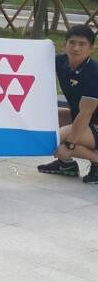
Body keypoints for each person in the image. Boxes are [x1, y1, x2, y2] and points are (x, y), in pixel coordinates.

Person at [37, 25, 98, 185]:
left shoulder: (94, 74)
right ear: (64, 45)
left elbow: (85, 114)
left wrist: (69, 145)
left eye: (82, 44)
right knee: (44, 118)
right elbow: (31, 60)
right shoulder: (62, 62)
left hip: (92, 122)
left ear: (92, 48)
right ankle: (67, 165)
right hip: (87, 121)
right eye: (72, 43)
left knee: (53, 139)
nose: (76, 48)